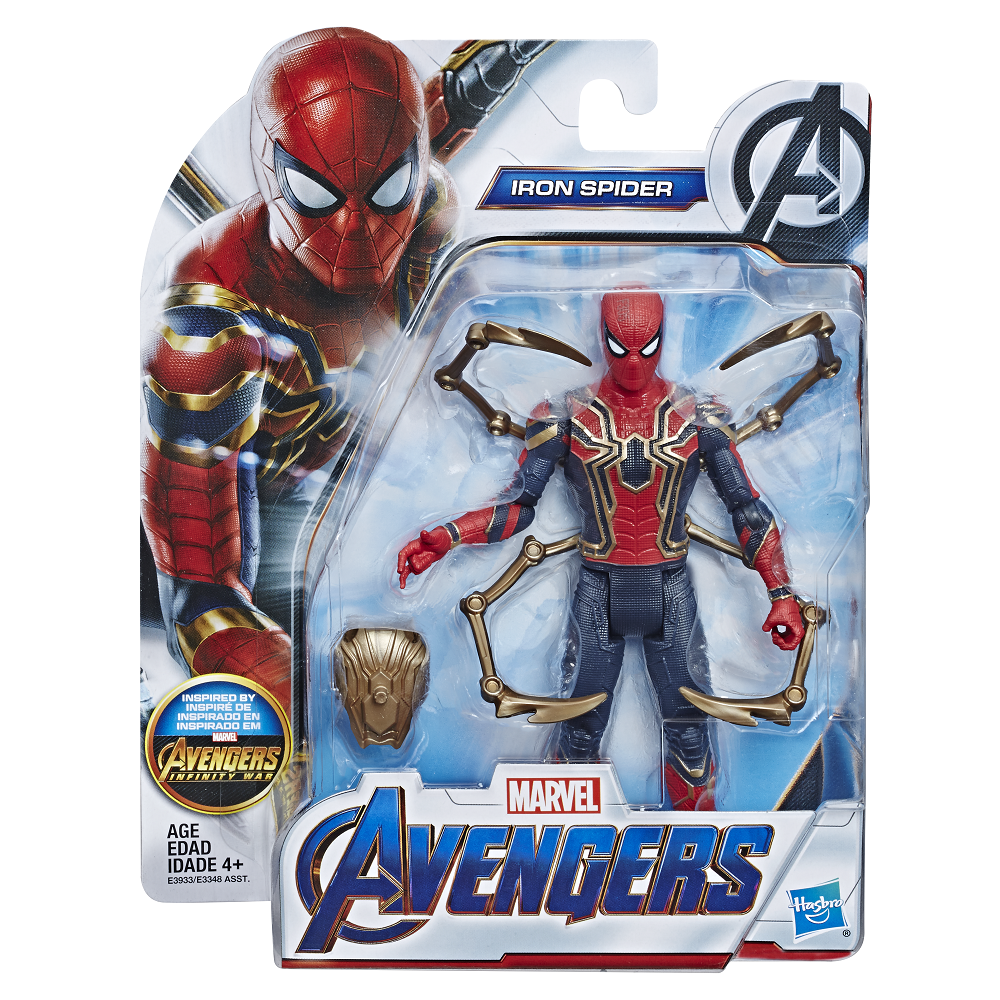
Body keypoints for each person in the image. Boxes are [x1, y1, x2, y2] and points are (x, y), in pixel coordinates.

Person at [141, 30, 551, 715]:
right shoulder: (210, 318)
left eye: (388, 191)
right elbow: (200, 592)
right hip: (230, 527)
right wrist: (318, 712)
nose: (354, 229)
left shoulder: (426, 211)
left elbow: (395, 137)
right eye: (316, 194)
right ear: (271, 171)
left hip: (362, 508)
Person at [397, 287, 804, 809]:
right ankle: (567, 842)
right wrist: (447, 537)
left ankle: (697, 843)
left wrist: (781, 592)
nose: (633, 362)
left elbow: (746, 508)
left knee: (688, 729)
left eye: (646, 347)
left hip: (669, 587)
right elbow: (518, 508)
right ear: (602, 337)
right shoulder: (563, 416)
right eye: (620, 347)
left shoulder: (699, 416)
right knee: (579, 727)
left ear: (662, 339)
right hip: (598, 587)